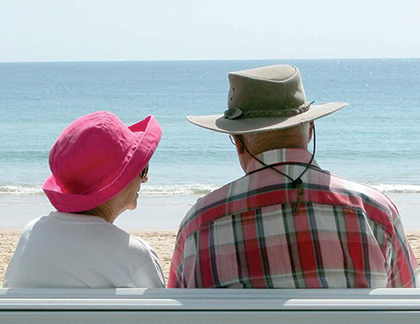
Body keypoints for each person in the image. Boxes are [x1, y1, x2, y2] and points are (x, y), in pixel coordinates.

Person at [168, 64, 419, 288]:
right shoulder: (373, 211)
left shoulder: (199, 223)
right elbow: (408, 302)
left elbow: (177, 320)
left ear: (237, 141)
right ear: (310, 130)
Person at [4, 111, 165, 288]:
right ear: (118, 183)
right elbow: (163, 316)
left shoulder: (32, 234)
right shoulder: (136, 256)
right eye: (141, 169)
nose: (144, 179)